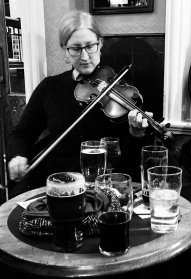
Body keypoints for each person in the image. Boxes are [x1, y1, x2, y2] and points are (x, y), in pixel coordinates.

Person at [7, 10, 155, 195]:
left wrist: (136, 134)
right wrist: (17, 156)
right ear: (65, 50)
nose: (84, 56)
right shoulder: (50, 87)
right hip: (59, 189)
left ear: (100, 44)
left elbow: (131, 163)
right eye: (76, 48)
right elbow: (21, 134)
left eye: (90, 46)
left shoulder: (122, 92)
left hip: (107, 189)